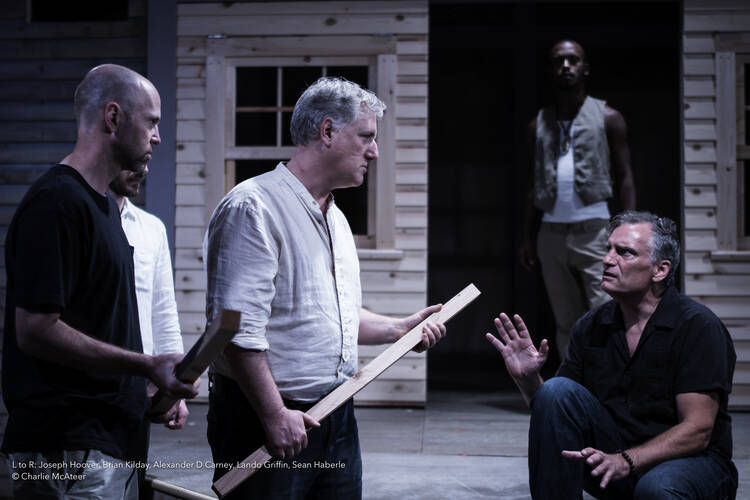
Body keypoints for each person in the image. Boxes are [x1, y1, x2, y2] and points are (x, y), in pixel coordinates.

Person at [205, 76, 447, 499]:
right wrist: (274, 413)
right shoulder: (254, 206)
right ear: (328, 131)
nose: (374, 151)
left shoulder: (334, 216)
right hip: (266, 418)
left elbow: (332, 316)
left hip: (335, 414)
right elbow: (235, 332)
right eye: (366, 137)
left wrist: (399, 329)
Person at [2, 64, 198, 499]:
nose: (158, 137)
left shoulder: (106, 210)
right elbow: (35, 331)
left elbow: (105, 325)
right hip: (66, 450)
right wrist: (145, 366)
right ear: (113, 117)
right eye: (152, 122)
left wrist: (148, 389)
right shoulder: (57, 202)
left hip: (112, 445)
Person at [489, 211, 737, 499]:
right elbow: (559, 416)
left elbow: (698, 430)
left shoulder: (697, 327)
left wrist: (626, 461)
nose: (607, 259)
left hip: (691, 466)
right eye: (608, 249)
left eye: (624, 252)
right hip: (618, 463)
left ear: (660, 270)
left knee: (655, 488)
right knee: (556, 391)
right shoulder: (592, 326)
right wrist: (529, 380)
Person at [520, 39, 636, 358]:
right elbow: (535, 183)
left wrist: (629, 231)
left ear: (585, 67)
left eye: (573, 60)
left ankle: (610, 386)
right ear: (551, 69)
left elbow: (625, 176)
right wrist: (527, 236)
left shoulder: (609, 117)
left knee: (608, 312)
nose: (566, 66)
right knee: (565, 319)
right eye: (559, 61)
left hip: (595, 229)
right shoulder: (538, 124)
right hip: (551, 233)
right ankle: (573, 387)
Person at [110, 167, 189, 430]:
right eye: (132, 160)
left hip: (139, 399)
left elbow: (163, 311)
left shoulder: (151, 228)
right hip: (90, 395)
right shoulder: (83, 217)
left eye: (146, 162)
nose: (143, 170)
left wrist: (174, 389)